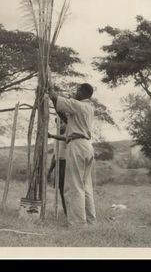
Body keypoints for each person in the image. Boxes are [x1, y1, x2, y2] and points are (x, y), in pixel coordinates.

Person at [47, 82, 97, 226]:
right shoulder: (88, 108)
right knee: (86, 187)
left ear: (83, 92)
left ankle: (78, 224)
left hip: (77, 146)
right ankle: (90, 221)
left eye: (77, 90)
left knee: (74, 186)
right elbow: (65, 117)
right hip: (87, 146)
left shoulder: (78, 105)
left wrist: (51, 91)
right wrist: (55, 101)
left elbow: (57, 99)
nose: (75, 93)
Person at [47, 118, 67, 216]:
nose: (60, 125)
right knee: (61, 189)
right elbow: (55, 155)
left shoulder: (69, 134)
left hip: (67, 163)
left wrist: (52, 136)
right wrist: (50, 171)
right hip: (59, 164)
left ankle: (72, 212)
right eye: (58, 123)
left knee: (68, 189)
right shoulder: (56, 138)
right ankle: (66, 212)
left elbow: (65, 138)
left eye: (62, 123)